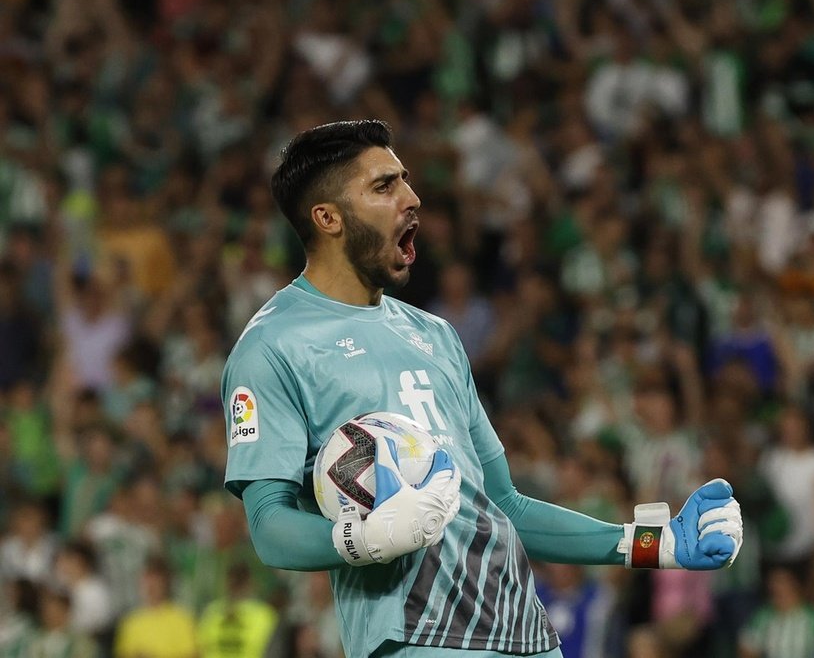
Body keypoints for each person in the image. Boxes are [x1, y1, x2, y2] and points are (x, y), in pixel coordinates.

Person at [220, 120, 744, 658]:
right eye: (384, 186)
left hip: (527, 635)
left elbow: (504, 507)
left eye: (405, 180)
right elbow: (269, 526)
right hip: (420, 636)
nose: (412, 198)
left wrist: (658, 543)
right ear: (327, 218)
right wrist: (361, 539)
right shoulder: (273, 346)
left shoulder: (434, 334)